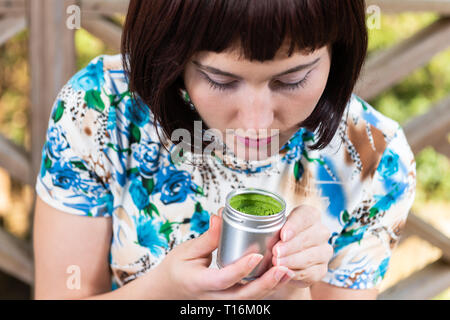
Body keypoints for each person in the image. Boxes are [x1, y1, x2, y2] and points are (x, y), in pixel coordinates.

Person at [33, 0, 416, 300]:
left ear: (340, 50)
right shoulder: (99, 109)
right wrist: (166, 290)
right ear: (173, 56)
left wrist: (289, 288)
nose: (255, 123)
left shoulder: (372, 158)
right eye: (220, 80)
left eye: (291, 80)